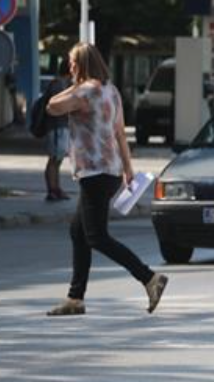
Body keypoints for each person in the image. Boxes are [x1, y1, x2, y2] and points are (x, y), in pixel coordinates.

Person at [44, 42, 168, 317]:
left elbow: (52, 107)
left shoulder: (84, 93)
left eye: (73, 62)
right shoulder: (111, 91)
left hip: (94, 173)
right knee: (78, 232)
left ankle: (149, 278)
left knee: (97, 237)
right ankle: (75, 298)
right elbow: (121, 132)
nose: (70, 66)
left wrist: (71, 86)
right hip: (110, 171)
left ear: (83, 64)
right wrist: (128, 169)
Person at [42, 60, 73, 202]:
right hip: (56, 126)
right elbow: (57, 106)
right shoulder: (57, 85)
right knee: (54, 159)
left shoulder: (63, 84)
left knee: (58, 159)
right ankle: (52, 189)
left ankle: (56, 188)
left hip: (61, 126)